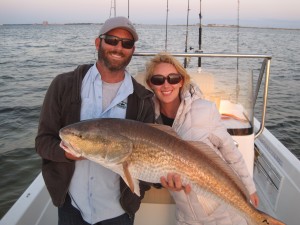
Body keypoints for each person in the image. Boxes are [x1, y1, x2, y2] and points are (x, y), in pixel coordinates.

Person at [35, 16, 155, 225]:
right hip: (71, 206)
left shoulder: (143, 99)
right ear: (98, 42)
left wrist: (140, 192)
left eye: (126, 43)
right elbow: (43, 142)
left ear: (132, 50)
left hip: (118, 212)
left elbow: (149, 159)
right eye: (111, 40)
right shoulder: (64, 85)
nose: (118, 47)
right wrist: (67, 154)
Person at [145, 52, 259, 225]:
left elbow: (231, 152)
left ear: (182, 80)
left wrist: (249, 189)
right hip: (187, 215)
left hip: (223, 212)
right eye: (158, 80)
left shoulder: (205, 110)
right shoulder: (147, 120)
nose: (166, 84)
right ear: (150, 84)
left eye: (173, 78)